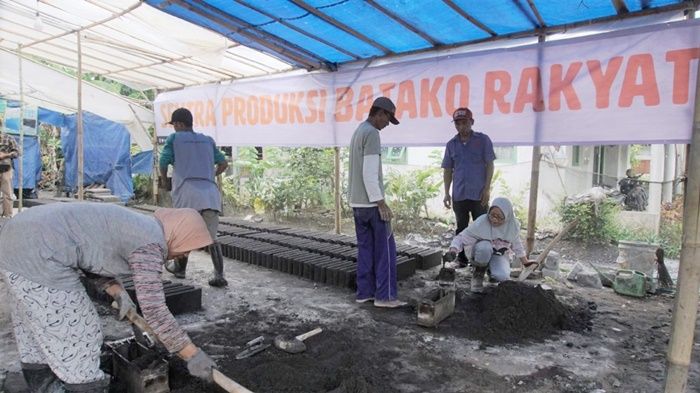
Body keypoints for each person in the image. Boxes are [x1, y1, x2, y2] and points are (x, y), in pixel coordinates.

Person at [0, 203, 217, 392]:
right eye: (189, 248)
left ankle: (43, 385)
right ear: (180, 232)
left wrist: (118, 292)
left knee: (36, 325)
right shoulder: (151, 245)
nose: (186, 255)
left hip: (17, 240)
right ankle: (84, 387)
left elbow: (89, 251)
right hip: (39, 253)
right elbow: (156, 312)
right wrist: (194, 357)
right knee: (79, 333)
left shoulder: (141, 226)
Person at [159, 108, 229, 287]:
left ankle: (180, 269)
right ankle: (219, 275)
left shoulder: (174, 139)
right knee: (212, 237)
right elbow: (223, 163)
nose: (173, 128)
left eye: (174, 125)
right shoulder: (207, 140)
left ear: (179, 124)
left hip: (186, 192)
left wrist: (165, 182)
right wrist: (210, 175)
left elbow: (163, 161)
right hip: (209, 194)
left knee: (183, 233)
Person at [347, 97, 406, 308]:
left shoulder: (358, 131)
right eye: (388, 118)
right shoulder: (372, 134)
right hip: (372, 205)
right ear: (379, 113)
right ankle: (385, 297)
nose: (387, 124)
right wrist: (382, 203)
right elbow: (369, 174)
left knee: (365, 250)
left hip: (357, 203)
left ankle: (364, 292)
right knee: (385, 251)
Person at [441, 107, 495, 268]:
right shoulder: (451, 144)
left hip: (479, 194)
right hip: (459, 194)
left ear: (471, 122)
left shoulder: (483, 140)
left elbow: (490, 165)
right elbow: (447, 170)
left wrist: (486, 189)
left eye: (464, 123)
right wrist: (446, 193)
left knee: (482, 228)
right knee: (461, 228)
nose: (461, 127)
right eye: (457, 123)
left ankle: (481, 262)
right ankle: (462, 259)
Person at [446, 197, 531, 293]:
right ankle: (478, 274)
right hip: (481, 252)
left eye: (499, 217)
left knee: (502, 276)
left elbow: (517, 244)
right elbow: (461, 237)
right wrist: (453, 250)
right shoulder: (482, 222)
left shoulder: (512, 226)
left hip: (499, 253)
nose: (494, 220)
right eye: (492, 215)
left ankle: (491, 272)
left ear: (507, 217)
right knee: (485, 247)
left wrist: (525, 262)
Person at [0, 132, 19, 217]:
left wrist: (5, 155)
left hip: (6, 168)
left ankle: (7, 216)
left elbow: (17, 152)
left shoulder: (8, 137)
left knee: (7, 193)